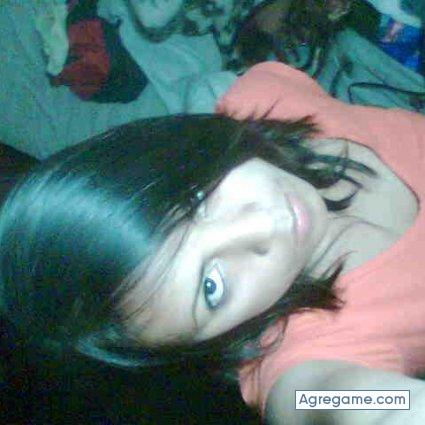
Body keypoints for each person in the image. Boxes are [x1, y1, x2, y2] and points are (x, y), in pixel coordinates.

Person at [1, 61, 425, 425]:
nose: (262, 225)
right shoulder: (316, 354)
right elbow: (342, 402)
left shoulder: (265, 95)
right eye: (212, 287)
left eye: (194, 200)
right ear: (222, 338)